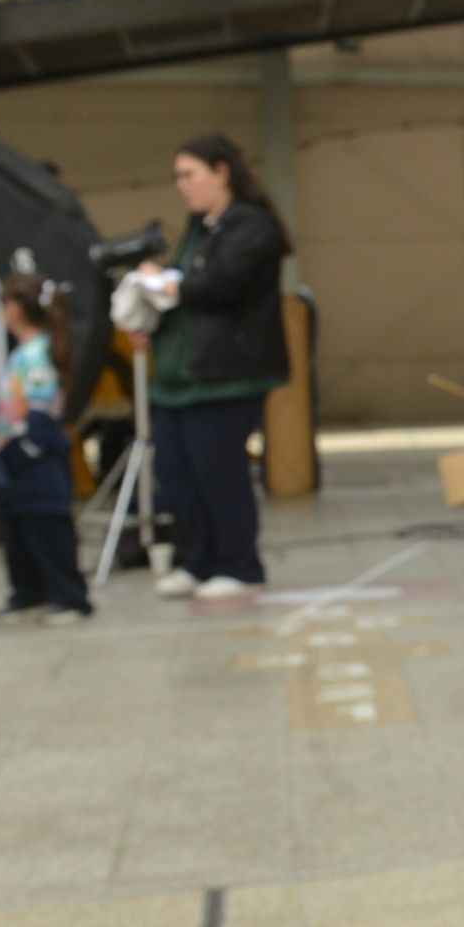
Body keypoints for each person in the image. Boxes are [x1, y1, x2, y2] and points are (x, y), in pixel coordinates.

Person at [143, 134, 292, 602]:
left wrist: (165, 284)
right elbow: (186, 289)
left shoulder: (252, 226)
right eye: (178, 177)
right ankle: (198, 559)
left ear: (221, 172)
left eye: (190, 175)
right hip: (178, 374)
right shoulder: (198, 226)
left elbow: (221, 285)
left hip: (226, 374)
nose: (183, 186)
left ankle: (239, 564)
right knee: (175, 469)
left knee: (217, 470)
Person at [0, 273, 91, 627]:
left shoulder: (37, 355)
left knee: (46, 526)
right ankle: (28, 593)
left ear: (14, 309)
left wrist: (28, 446)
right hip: (14, 453)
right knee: (19, 527)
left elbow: (41, 409)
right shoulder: (24, 353)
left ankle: (68, 596)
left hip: (34, 455)